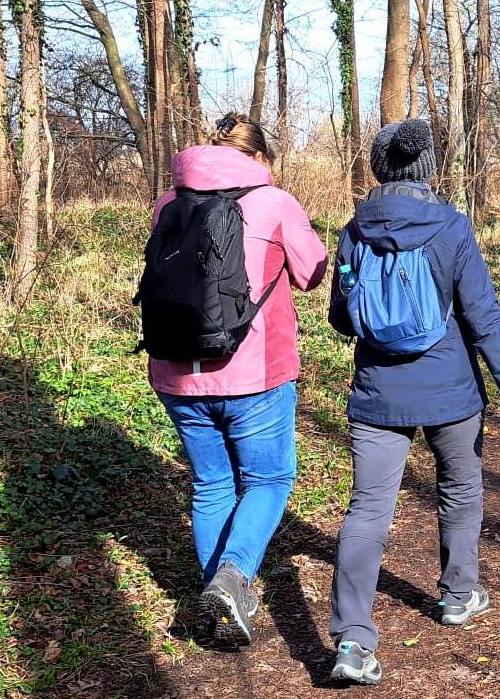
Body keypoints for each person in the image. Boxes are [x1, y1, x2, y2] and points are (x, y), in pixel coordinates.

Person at [327, 118, 500, 686]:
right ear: (427, 168)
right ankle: (460, 595)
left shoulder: (354, 231)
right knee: (459, 490)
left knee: (368, 511)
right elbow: (483, 316)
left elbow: (342, 317)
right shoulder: (452, 227)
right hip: (451, 392)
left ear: (379, 168)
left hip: (377, 395)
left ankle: (352, 641)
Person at [146, 113, 328, 645]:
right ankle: (233, 577)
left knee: (212, 484)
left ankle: (218, 607)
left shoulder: (167, 202)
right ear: (261, 157)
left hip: (176, 371)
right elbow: (312, 272)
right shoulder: (274, 203)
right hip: (254, 373)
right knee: (269, 480)